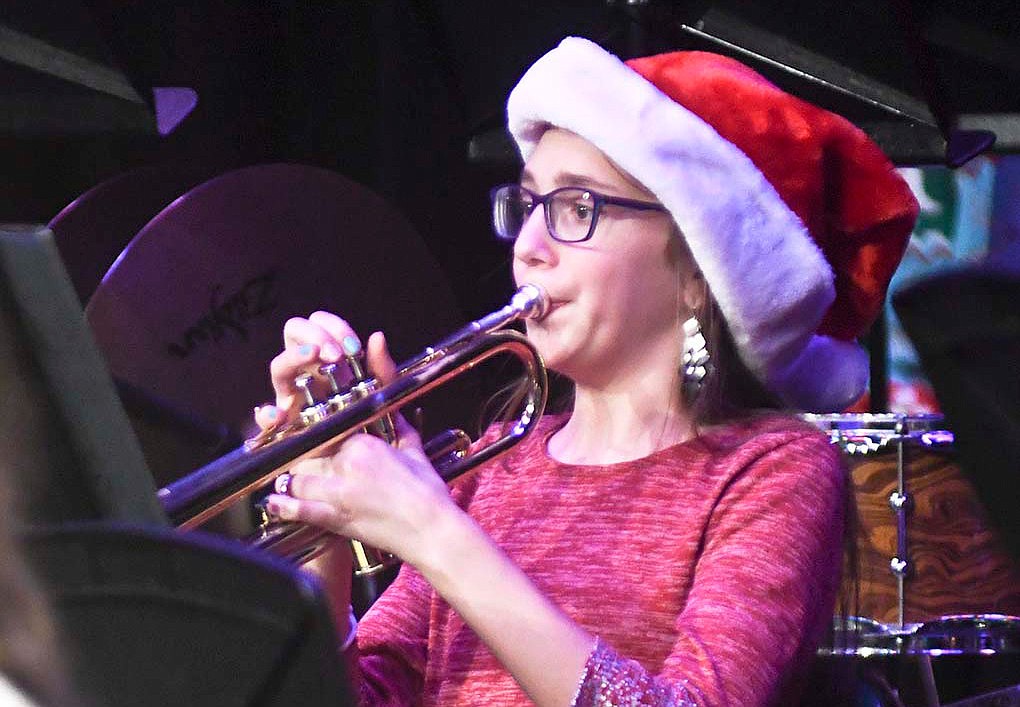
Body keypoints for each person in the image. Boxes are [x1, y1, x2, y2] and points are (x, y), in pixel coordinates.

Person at [255, 37, 918, 706]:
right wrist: (322, 542)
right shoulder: (492, 467)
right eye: (528, 205)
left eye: (578, 209)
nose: (529, 247)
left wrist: (433, 531)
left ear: (696, 269)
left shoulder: (773, 470)